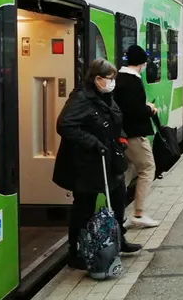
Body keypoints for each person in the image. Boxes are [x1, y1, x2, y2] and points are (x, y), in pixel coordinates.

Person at [53, 59, 142, 270]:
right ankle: (76, 252)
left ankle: (118, 240)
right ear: (98, 79)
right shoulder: (81, 98)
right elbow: (65, 125)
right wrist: (93, 142)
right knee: (84, 207)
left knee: (118, 199)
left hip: (109, 159)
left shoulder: (106, 96)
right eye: (110, 79)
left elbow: (115, 121)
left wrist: (120, 137)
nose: (112, 83)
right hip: (86, 164)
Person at [113, 45, 161, 229]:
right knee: (148, 168)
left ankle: (116, 215)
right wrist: (149, 109)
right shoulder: (132, 81)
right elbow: (134, 110)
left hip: (121, 134)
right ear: (142, 63)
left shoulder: (119, 78)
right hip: (133, 134)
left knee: (125, 173)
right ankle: (139, 214)